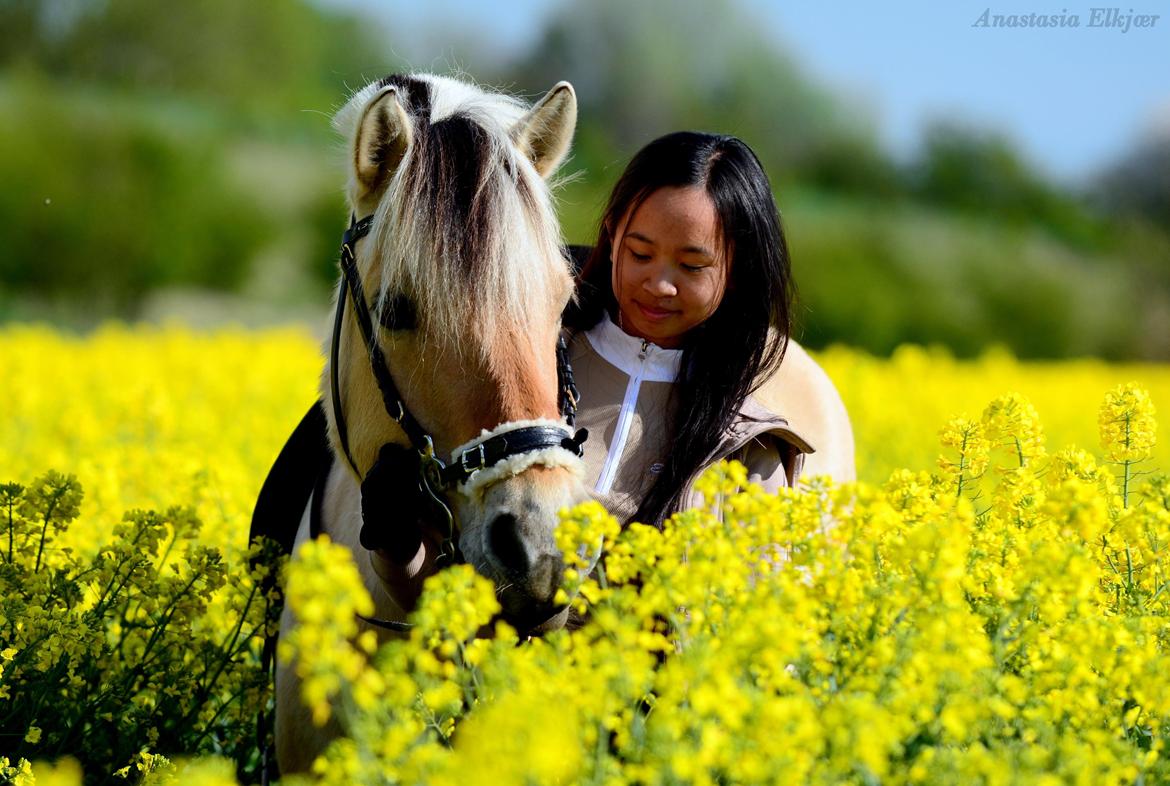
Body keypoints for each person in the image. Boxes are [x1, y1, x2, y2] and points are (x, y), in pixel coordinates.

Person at [562, 130, 816, 529]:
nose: (659, 285)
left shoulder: (751, 452)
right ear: (611, 239)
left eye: (693, 266)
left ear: (735, 271)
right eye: (640, 253)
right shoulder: (532, 367)